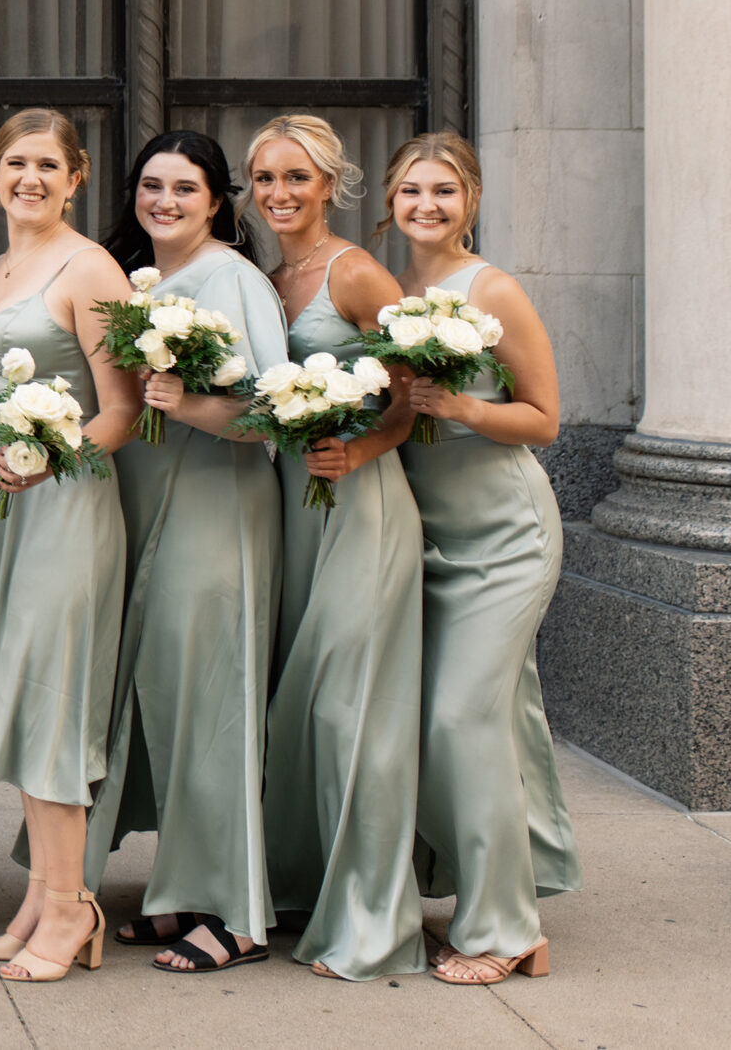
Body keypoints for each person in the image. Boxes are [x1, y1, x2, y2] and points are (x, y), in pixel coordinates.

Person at [379, 131, 581, 985]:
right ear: (390, 199)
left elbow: (544, 418)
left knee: (460, 716)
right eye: (412, 190)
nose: (427, 205)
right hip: (429, 537)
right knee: (483, 720)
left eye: (444, 192)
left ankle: (506, 928)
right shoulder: (393, 290)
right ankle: (507, 886)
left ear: (472, 201)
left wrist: (459, 404)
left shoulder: (491, 287)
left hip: (507, 534)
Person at [84, 131, 286, 973]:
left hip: (216, 506)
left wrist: (193, 404)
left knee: (216, 696)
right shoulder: (137, 281)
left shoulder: (235, 279)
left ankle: (238, 911)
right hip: (145, 502)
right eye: (151, 184)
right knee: (164, 696)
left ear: (216, 201)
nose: (163, 200)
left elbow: (276, 409)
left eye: (184, 188)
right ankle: (182, 889)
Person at [0, 109, 139, 984]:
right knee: (25, 697)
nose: (29, 177)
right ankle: (42, 891)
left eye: (46, 165)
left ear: (77, 176)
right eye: (14, 163)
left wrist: (49, 453)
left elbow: (123, 408)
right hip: (1, 513)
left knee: (52, 696)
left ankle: (73, 905)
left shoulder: (89, 265)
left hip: (64, 506)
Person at [249, 115, 426, 980]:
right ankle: (307, 888)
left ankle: (375, 920)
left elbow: (411, 394)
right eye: (264, 179)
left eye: (296, 178)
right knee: (300, 704)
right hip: (291, 506)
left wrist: (357, 447)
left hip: (362, 503)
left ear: (330, 184)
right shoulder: (265, 277)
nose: (279, 194)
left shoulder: (356, 273)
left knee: (352, 711)